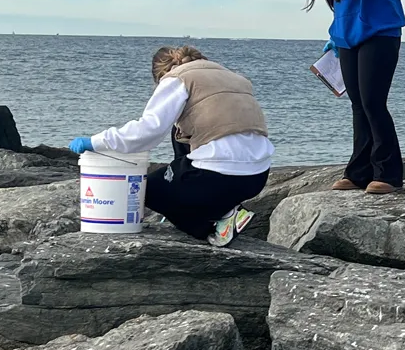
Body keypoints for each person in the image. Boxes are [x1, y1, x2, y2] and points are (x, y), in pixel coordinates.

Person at [67, 44, 271, 246]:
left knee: (143, 190)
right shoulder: (235, 78)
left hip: (219, 175)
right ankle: (228, 209)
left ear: (159, 75)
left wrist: (96, 141)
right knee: (179, 130)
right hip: (257, 176)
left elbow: (148, 131)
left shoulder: (177, 79)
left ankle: (213, 227)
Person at [303, 0, 405, 194]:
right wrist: (335, 35)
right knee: (358, 105)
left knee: (374, 102)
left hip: (380, 33)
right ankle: (359, 172)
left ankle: (388, 174)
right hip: (348, 37)